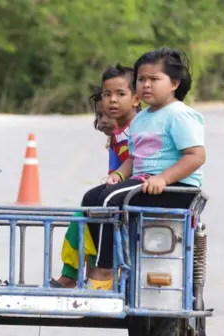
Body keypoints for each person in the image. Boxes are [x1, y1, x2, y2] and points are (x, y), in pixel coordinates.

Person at [83, 48, 205, 290]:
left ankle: (104, 271)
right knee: (91, 198)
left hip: (175, 188)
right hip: (144, 180)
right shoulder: (141, 118)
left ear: (174, 83)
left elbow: (196, 156)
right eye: (141, 79)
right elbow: (134, 158)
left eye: (154, 79)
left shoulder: (180, 115)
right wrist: (119, 174)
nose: (146, 85)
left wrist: (163, 179)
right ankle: (108, 262)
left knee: (108, 200)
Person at [53, 63, 142, 288]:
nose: (111, 102)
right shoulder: (117, 135)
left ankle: (99, 274)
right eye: (107, 95)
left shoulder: (138, 129)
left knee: (96, 205)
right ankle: (74, 273)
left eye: (120, 94)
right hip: (121, 187)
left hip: (138, 188)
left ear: (136, 99)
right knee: (87, 208)